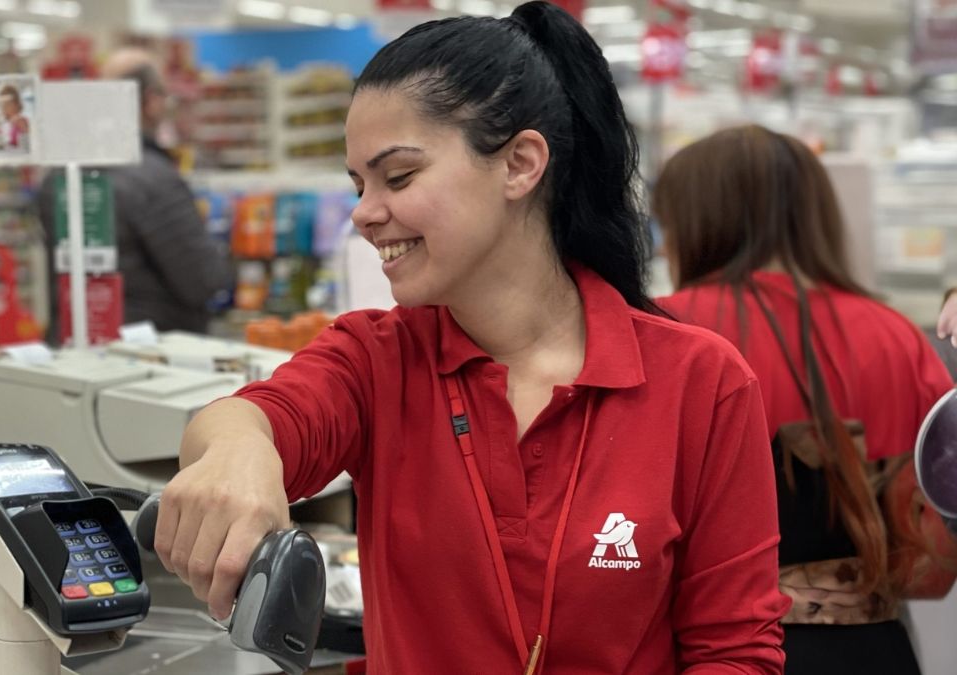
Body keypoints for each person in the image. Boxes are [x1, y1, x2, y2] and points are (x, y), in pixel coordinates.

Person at [153, 4, 787, 673]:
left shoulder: (700, 382)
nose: (366, 213)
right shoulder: (376, 359)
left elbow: (735, 649)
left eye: (397, 176)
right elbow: (258, 418)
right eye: (358, 184)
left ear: (519, 164)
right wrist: (235, 448)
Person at [655, 125, 957, 675]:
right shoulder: (898, 338)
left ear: (691, 221)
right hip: (870, 650)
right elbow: (933, 564)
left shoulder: (660, 333)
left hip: (704, 652)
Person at [39, 48, 233, 336]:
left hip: (75, 337)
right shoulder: (155, 178)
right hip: (152, 348)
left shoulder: (59, 174)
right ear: (152, 101)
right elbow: (203, 280)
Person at [0, 85, 30, 149]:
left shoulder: (22, 121)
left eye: (7, 104)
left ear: (16, 104)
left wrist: (23, 128)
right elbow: (0, 141)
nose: (4, 108)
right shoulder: (4, 126)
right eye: (2, 105)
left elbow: (30, 140)